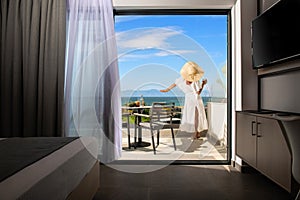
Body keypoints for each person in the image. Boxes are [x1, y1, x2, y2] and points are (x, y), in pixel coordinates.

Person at [160, 61, 208, 139]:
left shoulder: (196, 80)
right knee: (190, 116)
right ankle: (196, 132)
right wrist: (167, 89)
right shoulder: (182, 79)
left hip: (196, 98)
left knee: (196, 116)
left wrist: (203, 84)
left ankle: (196, 133)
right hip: (188, 99)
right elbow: (175, 83)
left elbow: (198, 92)